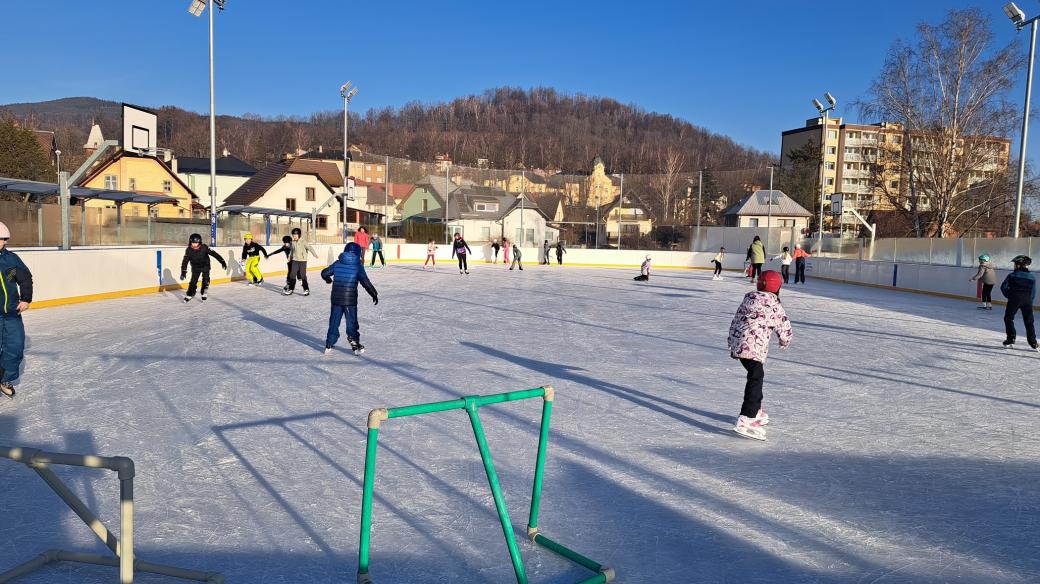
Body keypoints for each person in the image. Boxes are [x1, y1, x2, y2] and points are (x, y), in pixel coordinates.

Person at [728, 270, 792, 441]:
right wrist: (785, 340)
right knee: (756, 377)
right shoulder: (774, 304)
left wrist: (731, 340)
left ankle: (756, 410)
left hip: (739, 345)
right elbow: (784, 326)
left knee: (756, 375)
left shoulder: (749, 299)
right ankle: (747, 417)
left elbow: (736, 319)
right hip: (754, 348)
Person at [321, 242, 378, 355]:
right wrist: (373, 293)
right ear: (358, 253)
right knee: (351, 322)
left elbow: (324, 273)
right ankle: (354, 342)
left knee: (334, 321)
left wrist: (328, 279)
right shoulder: (358, 266)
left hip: (336, 299)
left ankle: (329, 343)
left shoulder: (337, 263)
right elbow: (365, 282)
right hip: (350, 301)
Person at [0, 222, 33, 398]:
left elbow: (25, 278)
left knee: (15, 346)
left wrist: (26, 299)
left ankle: (5, 379)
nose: (1, 242)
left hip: (12, 312)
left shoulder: (11, 259)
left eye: (4, 239)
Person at [1000, 255, 1036, 350]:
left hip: (1014, 299)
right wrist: (1029, 301)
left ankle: (1011, 338)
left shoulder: (1012, 275)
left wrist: (1010, 296)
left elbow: (1003, 287)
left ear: (1019, 265)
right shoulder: (1032, 277)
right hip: (1027, 301)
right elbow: (1033, 292)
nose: (1014, 266)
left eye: (1015, 264)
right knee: (1029, 321)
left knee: (1008, 318)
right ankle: (1033, 342)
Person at [180, 233, 227, 302]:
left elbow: (214, 254)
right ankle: (190, 294)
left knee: (206, 279)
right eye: (193, 243)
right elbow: (185, 261)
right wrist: (183, 271)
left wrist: (222, 261)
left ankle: (204, 292)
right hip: (195, 267)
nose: (194, 244)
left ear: (199, 242)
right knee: (193, 281)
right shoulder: (189, 250)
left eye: (196, 243)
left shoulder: (204, 247)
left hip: (205, 265)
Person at [284, 227, 318, 296]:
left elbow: (310, 248)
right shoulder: (293, 242)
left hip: (302, 261)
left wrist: (314, 254)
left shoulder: (303, 242)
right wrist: (290, 258)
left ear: (299, 235)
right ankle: (291, 289)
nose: (294, 236)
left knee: (303, 275)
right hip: (295, 260)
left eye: (295, 235)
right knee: (292, 274)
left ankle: (306, 289)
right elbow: (292, 251)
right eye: (293, 235)